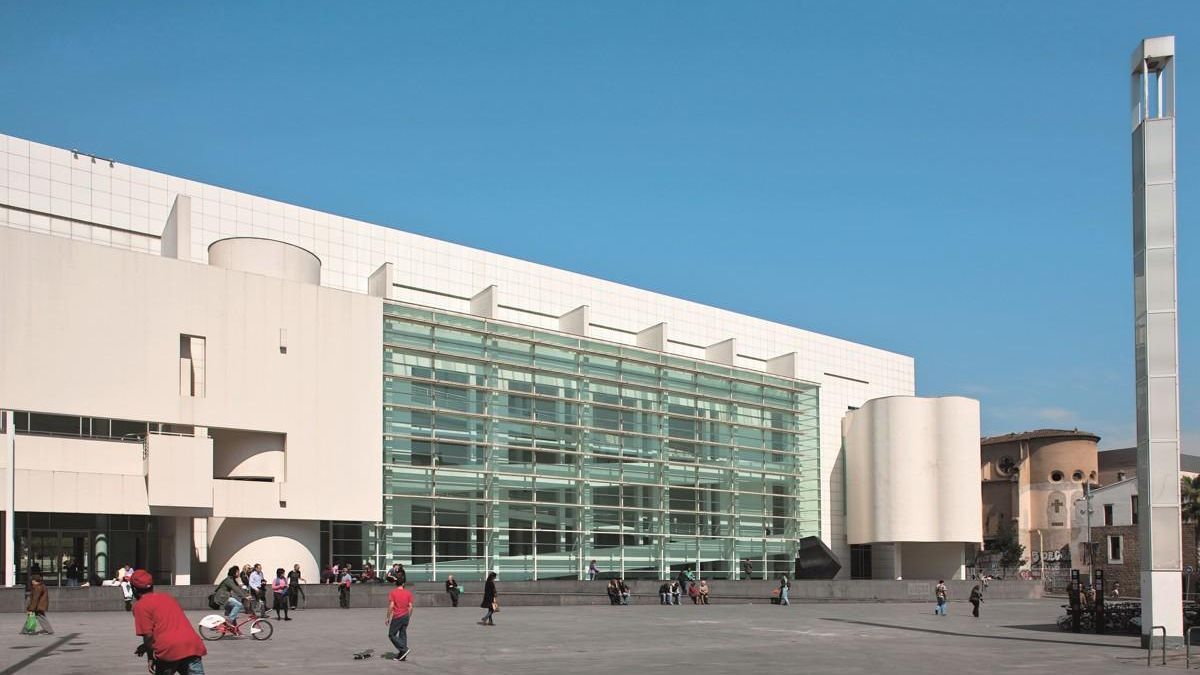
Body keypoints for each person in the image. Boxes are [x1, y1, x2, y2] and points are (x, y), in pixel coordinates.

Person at [129, 569, 207, 674]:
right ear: (152, 586)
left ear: (134, 589)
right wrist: (146, 646)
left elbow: (148, 636)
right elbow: (169, 627)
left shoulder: (140, 606)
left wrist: (150, 658)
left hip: (169, 650)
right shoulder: (167, 597)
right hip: (191, 645)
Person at [386, 574, 414, 661]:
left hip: (397, 616)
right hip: (405, 616)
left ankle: (404, 649)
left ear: (396, 583)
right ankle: (403, 655)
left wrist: (387, 617)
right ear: (403, 584)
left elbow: (391, 606)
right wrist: (408, 617)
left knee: (391, 634)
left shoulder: (393, 592)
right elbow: (411, 606)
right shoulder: (408, 593)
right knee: (402, 634)